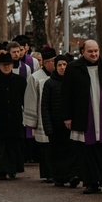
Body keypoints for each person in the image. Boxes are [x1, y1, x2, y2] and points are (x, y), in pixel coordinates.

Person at [61, 40, 102, 194]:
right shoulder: (74, 68)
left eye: (96, 50)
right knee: (86, 148)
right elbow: (66, 94)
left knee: (101, 148)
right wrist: (67, 117)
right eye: (90, 51)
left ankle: (100, 180)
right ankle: (89, 181)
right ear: (83, 52)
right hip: (83, 114)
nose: (94, 54)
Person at [0, 53, 27, 180]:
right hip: (0, 119)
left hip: (15, 119)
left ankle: (13, 169)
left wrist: (28, 118)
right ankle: (1, 170)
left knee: (14, 145)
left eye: (8, 65)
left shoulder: (20, 81)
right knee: (1, 146)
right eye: (3, 65)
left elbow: (25, 102)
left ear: (12, 65)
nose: (6, 67)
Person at [41, 55, 80, 188]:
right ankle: (59, 177)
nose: (63, 68)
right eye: (60, 65)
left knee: (72, 152)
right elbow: (45, 106)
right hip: (55, 125)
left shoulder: (73, 82)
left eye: (65, 65)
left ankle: (73, 175)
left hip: (71, 126)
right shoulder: (49, 83)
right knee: (57, 153)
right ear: (55, 67)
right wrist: (48, 127)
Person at [23, 47, 57, 182]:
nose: (53, 65)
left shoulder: (62, 75)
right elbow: (30, 99)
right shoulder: (35, 77)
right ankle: (48, 174)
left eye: (55, 61)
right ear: (44, 63)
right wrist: (32, 121)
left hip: (57, 117)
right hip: (43, 118)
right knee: (45, 148)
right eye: (50, 62)